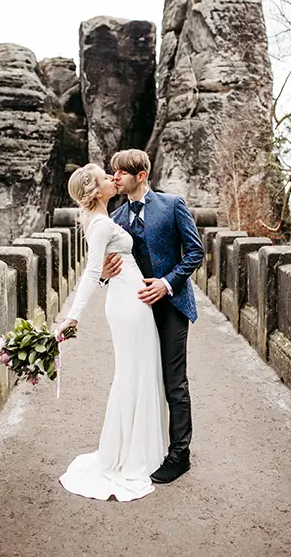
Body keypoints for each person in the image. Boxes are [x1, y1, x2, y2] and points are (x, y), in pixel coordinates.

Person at [55, 163, 168, 502]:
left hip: (132, 299)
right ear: (96, 190)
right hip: (127, 305)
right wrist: (72, 317)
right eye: (106, 178)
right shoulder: (102, 224)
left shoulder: (105, 219)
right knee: (135, 373)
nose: (112, 178)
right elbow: (91, 273)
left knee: (141, 370)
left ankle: (142, 446)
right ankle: (132, 453)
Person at [101, 149, 204, 484]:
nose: (114, 177)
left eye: (120, 172)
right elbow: (108, 272)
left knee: (174, 382)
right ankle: (144, 448)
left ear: (141, 175)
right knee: (142, 378)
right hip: (135, 311)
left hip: (172, 305)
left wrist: (166, 283)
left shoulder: (173, 205)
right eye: (112, 172)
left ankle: (179, 456)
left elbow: (195, 252)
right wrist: (104, 273)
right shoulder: (115, 220)